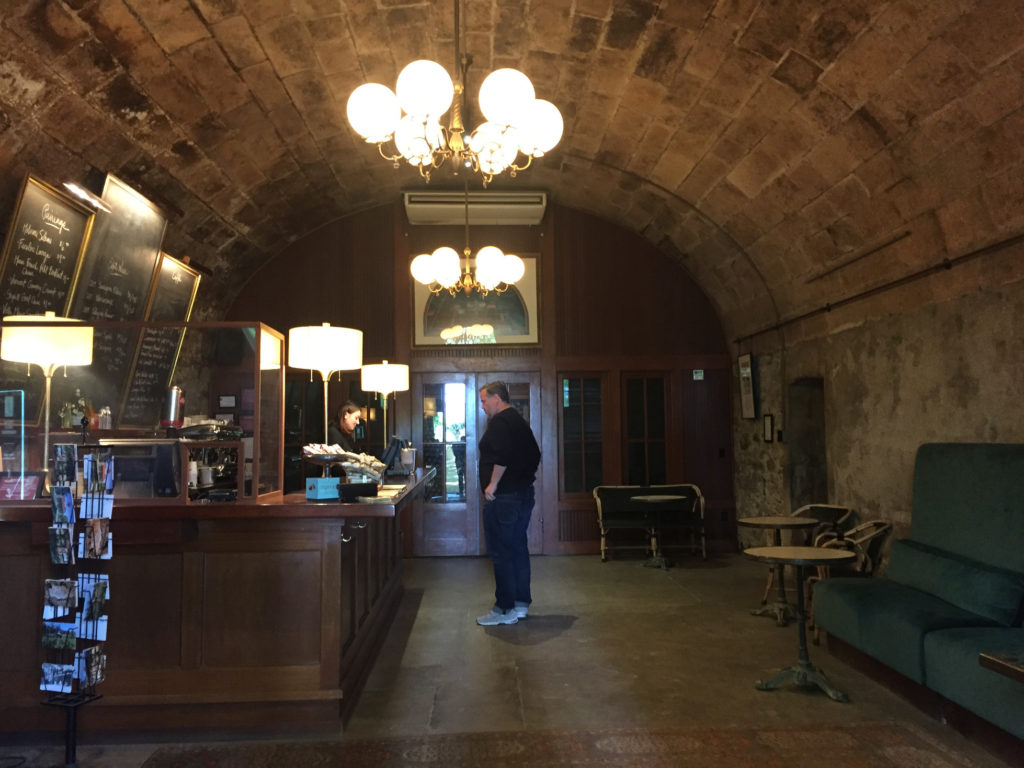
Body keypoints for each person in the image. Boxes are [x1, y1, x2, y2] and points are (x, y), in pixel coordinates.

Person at [475, 381, 541, 626]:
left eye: (484, 400)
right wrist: (523, 479)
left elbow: (502, 456)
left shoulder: (501, 422)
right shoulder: (518, 421)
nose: (482, 406)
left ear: (497, 399)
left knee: (501, 553)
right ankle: (521, 604)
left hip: (504, 499)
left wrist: (493, 485)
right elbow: (535, 454)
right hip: (522, 494)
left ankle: (504, 608)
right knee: (517, 549)